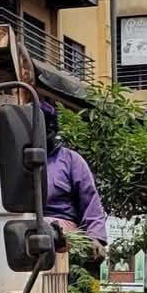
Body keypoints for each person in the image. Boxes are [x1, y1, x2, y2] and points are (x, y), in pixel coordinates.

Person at [40, 100, 107, 246]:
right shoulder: (16, 159)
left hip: (61, 230)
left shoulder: (71, 160)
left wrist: (95, 237)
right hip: (25, 226)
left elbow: (90, 200)